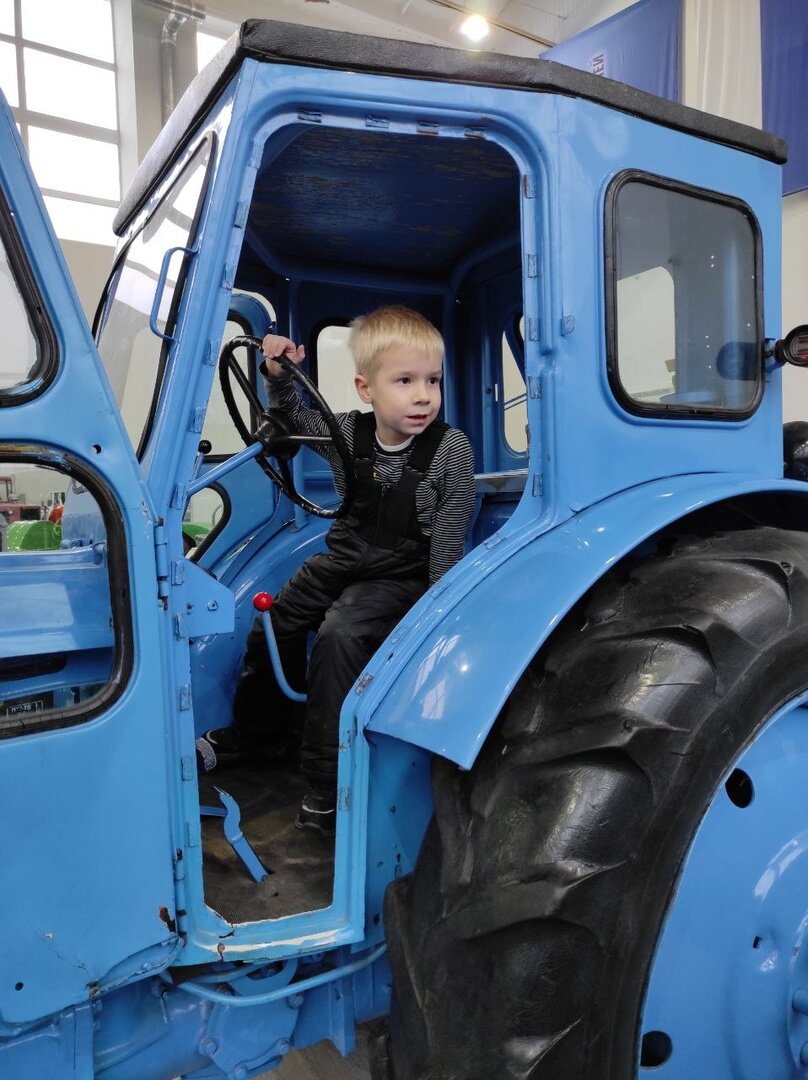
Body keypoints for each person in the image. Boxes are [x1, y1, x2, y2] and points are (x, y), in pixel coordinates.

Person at [198, 306, 476, 835]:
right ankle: (258, 734)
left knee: (339, 635)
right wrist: (277, 379)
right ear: (365, 387)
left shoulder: (449, 448)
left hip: (402, 572)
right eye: (405, 381)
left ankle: (327, 782)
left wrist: (440, 607)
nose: (423, 395)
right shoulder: (348, 431)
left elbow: (449, 527)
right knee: (276, 623)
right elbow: (295, 422)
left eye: (432, 381)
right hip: (343, 555)